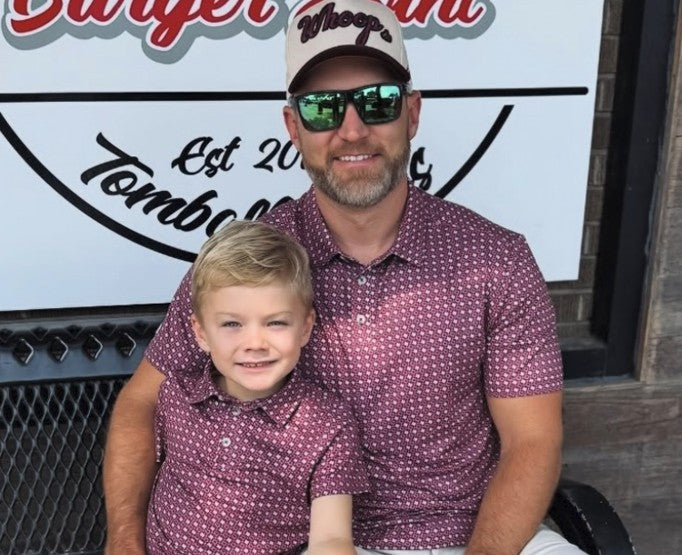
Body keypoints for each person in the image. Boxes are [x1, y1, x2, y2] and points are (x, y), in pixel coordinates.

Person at [104, 0, 585, 553]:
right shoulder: (250, 262)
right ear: (293, 126)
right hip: (301, 539)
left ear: (412, 113)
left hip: (471, 532)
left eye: (377, 103)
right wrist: (124, 540)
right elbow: (143, 403)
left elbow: (532, 440)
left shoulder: (495, 259)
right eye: (322, 109)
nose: (352, 130)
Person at [145, 220, 368, 554]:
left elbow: (331, 538)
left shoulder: (327, 425)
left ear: (305, 328)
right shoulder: (176, 397)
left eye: (276, 322)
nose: (255, 343)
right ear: (201, 333)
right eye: (232, 324)